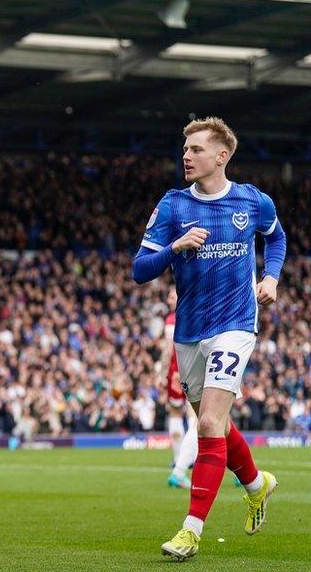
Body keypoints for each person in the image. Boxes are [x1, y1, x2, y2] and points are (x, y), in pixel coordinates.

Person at [132, 117, 286, 561]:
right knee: (215, 423)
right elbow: (140, 270)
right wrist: (174, 248)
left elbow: (276, 239)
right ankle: (257, 485)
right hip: (190, 330)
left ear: (222, 156)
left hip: (236, 324)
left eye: (196, 149)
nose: (187, 155)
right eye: (186, 149)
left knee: (205, 427)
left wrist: (271, 277)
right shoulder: (173, 206)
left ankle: (190, 530)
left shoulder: (252, 201)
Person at [162, 289, 197, 490]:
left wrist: (163, 372)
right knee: (197, 418)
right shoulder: (185, 314)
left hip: (175, 371)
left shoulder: (172, 319)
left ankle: (179, 461)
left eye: (171, 296)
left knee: (177, 414)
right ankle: (181, 467)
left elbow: (168, 349)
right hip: (190, 368)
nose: (169, 300)